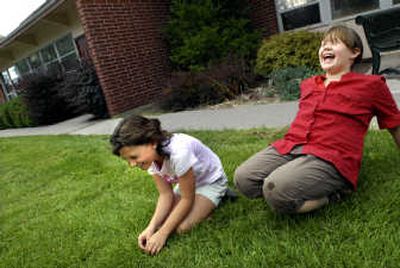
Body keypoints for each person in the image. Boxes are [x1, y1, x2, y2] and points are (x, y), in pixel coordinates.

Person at [234, 25, 400, 214]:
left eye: (334, 43)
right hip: (292, 145)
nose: (325, 48)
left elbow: (394, 123)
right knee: (244, 179)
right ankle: (295, 180)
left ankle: (334, 194)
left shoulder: (371, 85)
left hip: (332, 156)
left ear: (354, 52)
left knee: (276, 190)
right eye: (323, 45)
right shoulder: (309, 84)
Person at [110, 115, 230, 255]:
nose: (132, 164)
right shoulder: (151, 158)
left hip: (210, 182)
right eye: (127, 160)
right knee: (164, 222)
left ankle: (217, 199)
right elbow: (165, 194)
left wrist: (162, 234)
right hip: (187, 183)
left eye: (134, 157)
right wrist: (151, 227)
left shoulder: (179, 153)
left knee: (180, 228)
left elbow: (187, 199)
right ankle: (201, 207)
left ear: (152, 142)